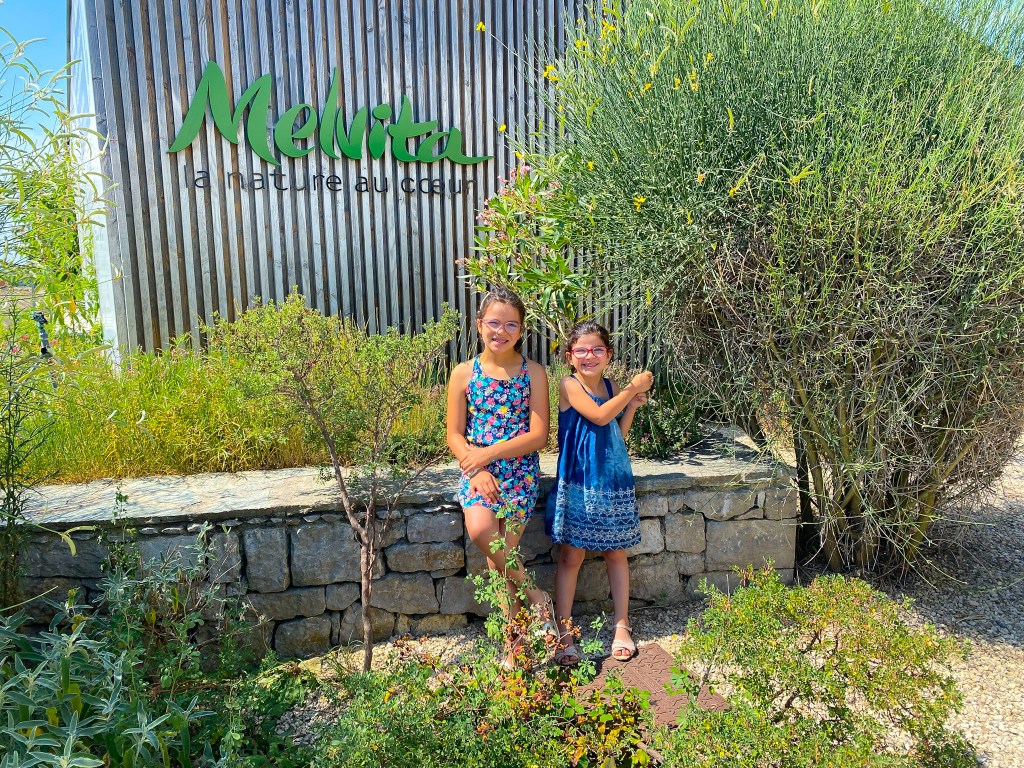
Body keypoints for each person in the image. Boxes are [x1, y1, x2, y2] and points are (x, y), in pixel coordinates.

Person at [446, 286, 554, 667]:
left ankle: (514, 646)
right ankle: (537, 596)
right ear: (479, 325)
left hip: (519, 473)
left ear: (521, 330)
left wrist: (487, 455)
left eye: (511, 325)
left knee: (497, 562)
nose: (501, 331)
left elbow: (539, 435)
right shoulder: (463, 373)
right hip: (477, 474)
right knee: (481, 531)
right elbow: (454, 434)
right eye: (494, 322)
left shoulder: (534, 373)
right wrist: (476, 468)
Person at [546, 320, 653, 665]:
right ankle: (564, 631)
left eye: (597, 350)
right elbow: (598, 415)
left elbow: (615, 431)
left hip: (610, 479)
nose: (589, 356)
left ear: (608, 354)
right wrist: (631, 389)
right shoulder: (569, 384)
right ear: (569, 357)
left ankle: (622, 625)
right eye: (581, 350)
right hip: (579, 479)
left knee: (615, 552)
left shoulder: (610, 386)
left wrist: (631, 405)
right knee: (571, 556)